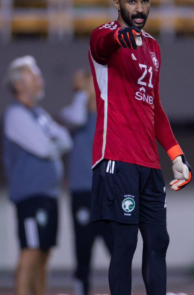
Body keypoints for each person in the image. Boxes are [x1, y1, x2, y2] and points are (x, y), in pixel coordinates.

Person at [87, 0, 194, 295]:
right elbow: (102, 46)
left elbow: (155, 109)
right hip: (116, 157)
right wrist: (120, 38)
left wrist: (176, 155)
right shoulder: (103, 36)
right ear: (117, 2)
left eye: (145, 1)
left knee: (159, 241)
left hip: (148, 163)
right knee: (125, 243)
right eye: (132, 1)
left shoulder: (153, 48)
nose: (139, 8)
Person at [2, 55, 73, 295]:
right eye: (34, 76)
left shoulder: (39, 114)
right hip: (30, 195)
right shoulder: (16, 115)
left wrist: (53, 143)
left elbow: (65, 139)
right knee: (30, 251)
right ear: (19, 84)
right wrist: (53, 145)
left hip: (48, 194)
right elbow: (45, 148)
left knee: (43, 253)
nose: (40, 80)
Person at [60, 69, 115, 295]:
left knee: (116, 247)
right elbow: (77, 116)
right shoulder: (72, 116)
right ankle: (82, 290)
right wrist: (82, 93)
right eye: (87, 84)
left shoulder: (110, 116)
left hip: (108, 192)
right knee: (83, 249)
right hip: (83, 192)